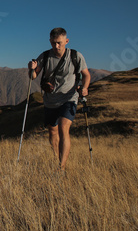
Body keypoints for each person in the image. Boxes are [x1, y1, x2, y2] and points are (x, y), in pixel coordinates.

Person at [28, 27, 90, 170]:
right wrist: (31, 68)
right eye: (53, 43)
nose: (56, 46)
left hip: (69, 98)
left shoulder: (75, 56)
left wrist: (85, 87)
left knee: (63, 127)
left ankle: (61, 168)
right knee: (53, 131)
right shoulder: (44, 56)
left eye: (59, 43)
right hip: (50, 100)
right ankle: (56, 158)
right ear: (50, 41)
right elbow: (33, 76)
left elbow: (86, 74)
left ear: (66, 41)